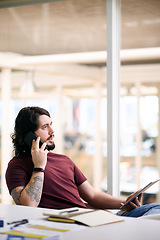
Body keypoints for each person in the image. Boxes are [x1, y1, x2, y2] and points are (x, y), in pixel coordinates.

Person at [5, 106, 160, 217]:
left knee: (154, 209)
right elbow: (28, 206)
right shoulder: (16, 166)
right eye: (45, 127)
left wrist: (125, 202)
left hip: (95, 218)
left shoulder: (64, 160)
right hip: (72, 223)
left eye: (51, 125)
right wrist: (39, 166)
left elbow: (92, 195)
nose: (52, 132)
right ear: (29, 135)